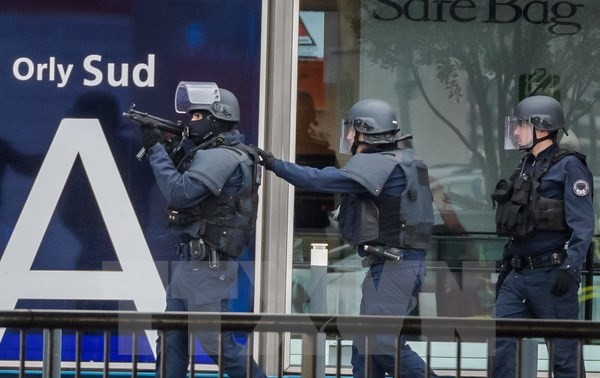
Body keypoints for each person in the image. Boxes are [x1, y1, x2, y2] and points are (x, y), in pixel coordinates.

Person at [251, 99, 438, 377]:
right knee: (364, 348)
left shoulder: (379, 164)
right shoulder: (402, 161)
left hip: (394, 267)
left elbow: (319, 180)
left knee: (381, 345)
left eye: (352, 129)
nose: (348, 136)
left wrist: (274, 164)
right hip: (393, 264)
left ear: (366, 132)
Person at [137, 82, 266, 378]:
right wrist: (168, 150)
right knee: (172, 336)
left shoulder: (221, 155)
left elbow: (179, 194)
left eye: (198, 116)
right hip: (194, 263)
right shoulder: (212, 153)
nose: (191, 121)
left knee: (214, 341)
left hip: (209, 265)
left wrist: (156, 149)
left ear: (217, 118)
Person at [491, 95, 594, 377]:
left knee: (563, 359)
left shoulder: (570, 167)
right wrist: (505, 271)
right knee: (500, 338)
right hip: (518, 274)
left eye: (521, 125)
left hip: (552, 275)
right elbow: (518, 224)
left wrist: (570, 270)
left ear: (543, 127)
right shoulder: (525, 165)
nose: (515, 132)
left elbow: (582, 226)